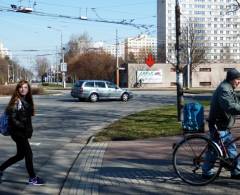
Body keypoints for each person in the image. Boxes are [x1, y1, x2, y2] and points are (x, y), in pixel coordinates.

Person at [0, 80, 44, 185]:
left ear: (28, 89)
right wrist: (24, 128)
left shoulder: (26, 100)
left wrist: (28, 129)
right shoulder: (16, 101)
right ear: (17, 89)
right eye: (20, 87)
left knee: (20, 155)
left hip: (21, 132)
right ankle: (32, 178)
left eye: (25, 87)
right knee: (29, 154)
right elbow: (13, 119)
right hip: (18, 133)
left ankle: (0, 169)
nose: (23, 89)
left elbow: (26, 118)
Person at [202, 68, 240, 179]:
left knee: (231, 148)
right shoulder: (224, 89)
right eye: (237, 79)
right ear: (231, 79)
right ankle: (206, 172)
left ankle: (236, 171)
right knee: (214, 150)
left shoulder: (229, 88)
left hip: (224, 124)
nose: (239, 82)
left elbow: (236, 101)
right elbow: (229, 106)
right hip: (218, 125)